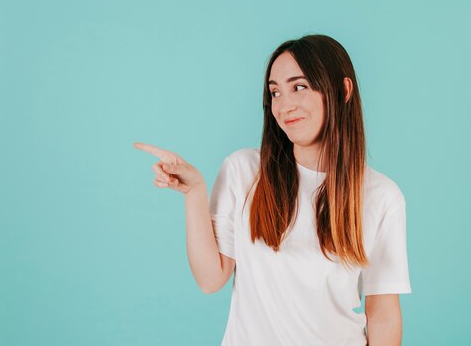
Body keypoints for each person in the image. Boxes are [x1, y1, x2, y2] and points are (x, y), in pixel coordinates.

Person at [133, 34, 411, 346]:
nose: (284, 105)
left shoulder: (381, 196)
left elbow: (384, 314)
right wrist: (195, 192)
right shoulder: (244, 172)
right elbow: (211, 279)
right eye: (275, 92)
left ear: (343, 90)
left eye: (299, 87)